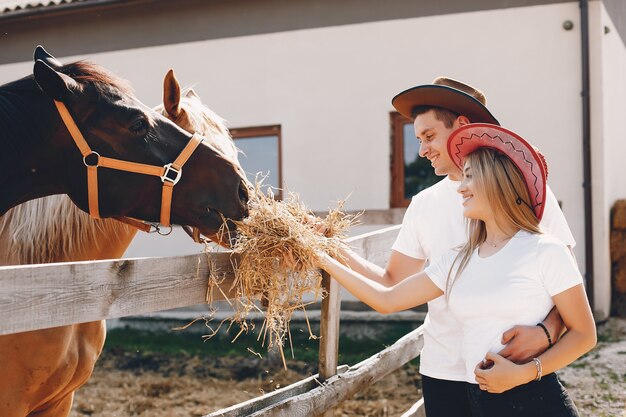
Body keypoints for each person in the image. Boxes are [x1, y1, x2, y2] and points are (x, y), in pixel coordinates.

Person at [321, 78, 576, 417]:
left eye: (429, 137)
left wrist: (547, 332)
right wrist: (326, 247)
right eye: (418, 140)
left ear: (461, 128)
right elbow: (390, 285)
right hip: (445, 372)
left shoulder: (526, 190)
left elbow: (567, 277)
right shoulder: (425, 205)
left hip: (513, 366)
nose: (422, 150)